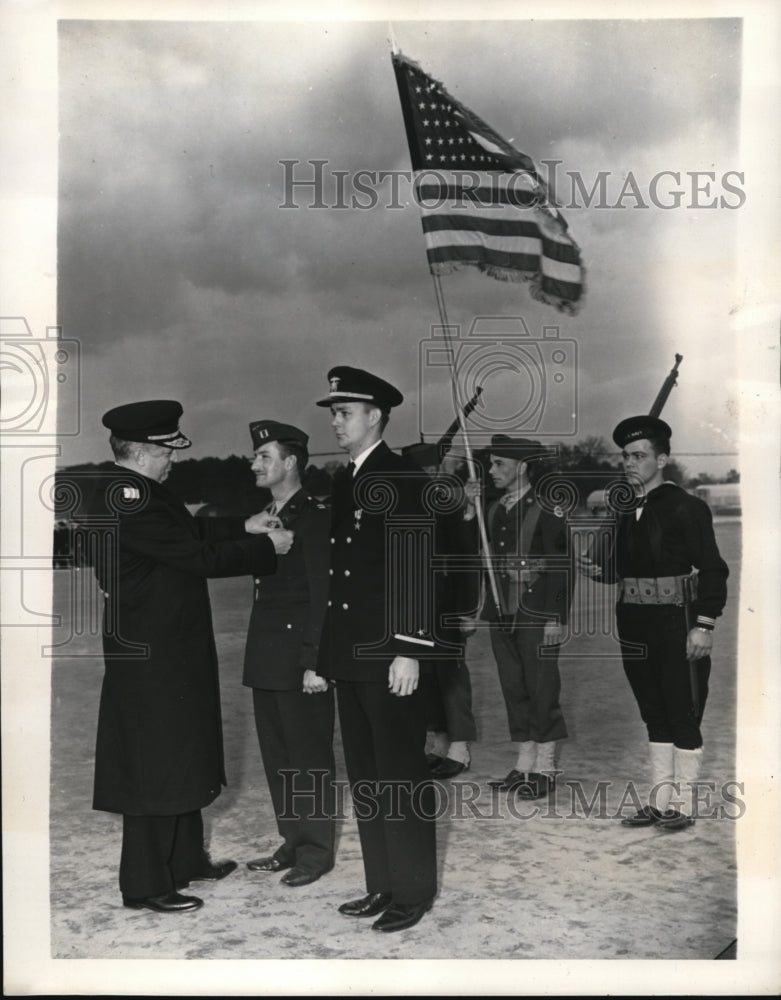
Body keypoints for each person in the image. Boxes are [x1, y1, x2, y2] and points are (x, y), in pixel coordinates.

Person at [89, 400, 293, 913]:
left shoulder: (140, 494)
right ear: (142, 452)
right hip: (154, 657)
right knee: (155, 766)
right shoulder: (131, 499)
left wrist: (241, 528)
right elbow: (195, 558)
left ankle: (184, 861)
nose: (172, 459)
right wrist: (269, 549)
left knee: (182, 752)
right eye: (166, 451)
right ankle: (144, 884)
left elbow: (185, 534)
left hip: (169, 651)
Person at [315, 366, 437, 933]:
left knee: (400, 776)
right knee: (366, 776)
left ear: (375, 417)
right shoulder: (346, 480)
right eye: (334, 414)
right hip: (353, 656)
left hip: (392, 656)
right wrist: (327, 655)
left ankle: (412, 891)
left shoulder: (403, 476)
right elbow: (340, 578)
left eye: (344, 413)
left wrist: (410, 648)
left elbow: (415, 569)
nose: (336, 423)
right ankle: (381, 884)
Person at [579, 415, 728, 832]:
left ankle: (681, 803)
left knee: (683, 710)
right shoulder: (627, 509)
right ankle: (660, 800)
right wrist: (597, 570)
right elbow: (622, 570)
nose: (629, 462)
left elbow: (713, 570)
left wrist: (704, 624)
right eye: (625, 456)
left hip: (676, 620)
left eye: (639, 455)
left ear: (662, 458)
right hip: (634, 619)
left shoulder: (686, 507)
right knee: (653, 711)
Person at [242, 420, 335, 886]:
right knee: (278, 756)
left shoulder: (315, 518)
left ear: (291, 462)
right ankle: (292, 839)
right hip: (266, 656)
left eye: (264, 456)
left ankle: (316, 850)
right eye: (255, 456)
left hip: (301, 659)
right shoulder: (264, 516)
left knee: (309, 757)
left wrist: (316, 660)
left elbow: (323, 592)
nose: (254, 463)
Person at [468, 435, 572, 800]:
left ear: (522, 467)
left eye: (500, 464)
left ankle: (545, 768)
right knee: (514, 688)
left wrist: (556, 617)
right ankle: (524, 764)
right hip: (503, 614)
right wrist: (469, 510)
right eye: (491, 464)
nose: (492, 471)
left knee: (542, 688)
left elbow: (562, 567)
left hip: (537, 613)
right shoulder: (494, 510)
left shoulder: (547, 509)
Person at [402, 443, 479, 778]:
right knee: (425, 680)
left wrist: (466, 609)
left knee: (452, 679)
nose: (433, 479)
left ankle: (459, 750)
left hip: (446, 607)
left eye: (436, 472)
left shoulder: (447, 508)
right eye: (426, 473)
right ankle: (437, 745)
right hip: (413, 609)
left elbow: (467, 559)